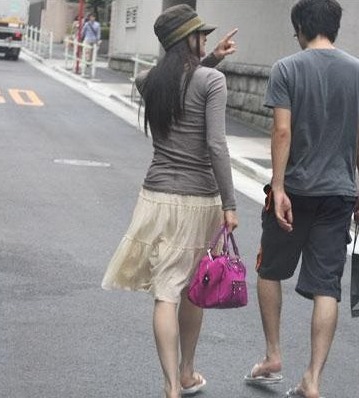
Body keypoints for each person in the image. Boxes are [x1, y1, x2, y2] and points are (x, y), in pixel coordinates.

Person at [101, 5, 239, 398]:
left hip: (156, 198)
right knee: (196, 288)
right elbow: (216, 144)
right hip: (200, 202)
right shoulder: (212, 81)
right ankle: (188, 371)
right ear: (187, 40)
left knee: (166, 291)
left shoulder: (148, 81)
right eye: (201, 35)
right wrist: (230, 203)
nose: (207, 39)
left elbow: (176, 80)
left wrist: (210, 58)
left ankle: (170, 385)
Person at [244, 1, 359, 397]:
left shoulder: (287, 69)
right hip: (339, 193)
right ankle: (313, 379)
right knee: (327, 287)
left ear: (301, 27)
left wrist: (280, 187)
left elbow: (281, 132)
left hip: (295, 191)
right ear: (334, 27)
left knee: (269, 270)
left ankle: (273, 356)